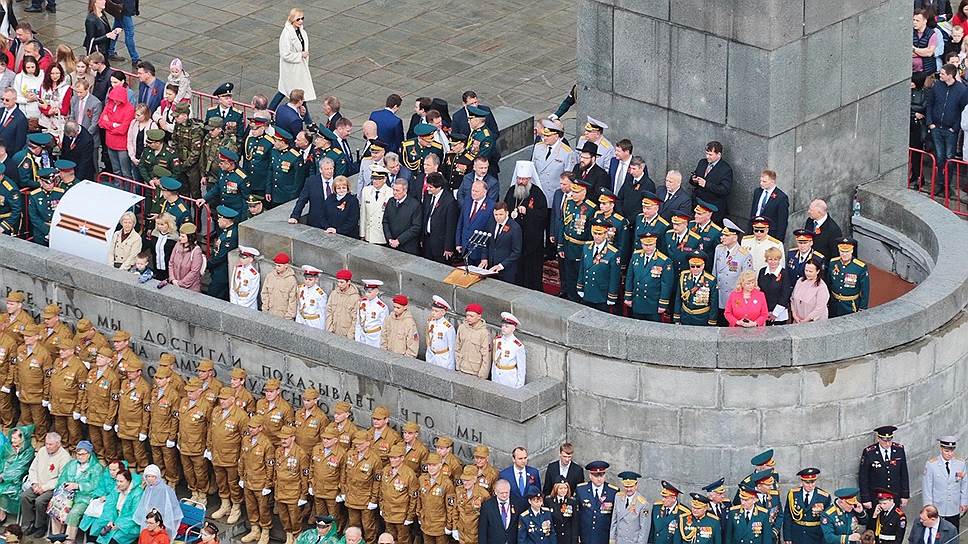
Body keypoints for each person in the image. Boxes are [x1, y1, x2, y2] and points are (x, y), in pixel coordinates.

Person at [52, 441, 104, 544]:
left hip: (84, 498)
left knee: (74, 513)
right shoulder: (71, 464)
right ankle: (56, 538)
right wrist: (65, 485)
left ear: (89, 454)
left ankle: (68, 540)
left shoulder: (96, 468)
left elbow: (95, 485)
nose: (79, 456)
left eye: (83, 454)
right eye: (78, 454)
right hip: (68, 495)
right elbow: (62, 478)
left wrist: (78, 486)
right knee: (56, 507)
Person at [20, 432, 72, 536]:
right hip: (37, 484)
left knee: (40, 501)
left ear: (58, 444)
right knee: (24, 496)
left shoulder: (65, 457)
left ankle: (40, 526)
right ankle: (29, 523)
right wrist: (34, 483)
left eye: (50, 444)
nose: (47, 446)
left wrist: (44, 488)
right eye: (46, 443)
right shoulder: (42, 451)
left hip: (52, 488)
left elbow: (60, 479)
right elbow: (33, 468)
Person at [922, 436, 968, 530]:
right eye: (946, 451)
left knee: (953, 531)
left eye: (952, 451)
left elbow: (964, 484)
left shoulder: (960, 463)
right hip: (938, 506)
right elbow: (927, 487)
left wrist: (964, 501)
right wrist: (928, 506)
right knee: (937, 533)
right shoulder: (931, 465)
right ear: (941, 449)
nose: (949, 454)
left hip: (954, 506)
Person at [859, 426, 910, 510]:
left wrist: (905, 495)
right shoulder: (869, 452)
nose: (887, 443)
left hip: (894, 496)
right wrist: (865, 498)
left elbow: (904, 474)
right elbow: (863, 477)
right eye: (884, 440)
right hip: (876, 497)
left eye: (889, 440)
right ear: (878, 439)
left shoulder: (899, 450)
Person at [577, 217, 621, 311]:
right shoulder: (586, 246)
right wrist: (580, 286)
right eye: (595, 233)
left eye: (600, 234)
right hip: (588, 291)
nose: (597, 236)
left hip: (601, 294)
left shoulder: (612, 252)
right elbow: (582, 268)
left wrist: (612, 296)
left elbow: (614, 277)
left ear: (606, 234)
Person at [416, 453, 456, 544]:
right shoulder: (422, 479)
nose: (431, 467)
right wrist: (419, 515)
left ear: (440, 465)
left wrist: (449, 525)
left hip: (440, 526)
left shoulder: (446, 483)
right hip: (426, 523)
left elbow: (450, 507)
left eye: (434, 465)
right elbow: (419, 499)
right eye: (429, 465)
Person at [133, 465, 182, 540]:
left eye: (153, 476)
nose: (150, 479)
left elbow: (168, 508)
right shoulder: (149, 487)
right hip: (150, 518)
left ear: (158, 477)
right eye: (148, 476)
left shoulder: (164, 489)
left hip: (160, 520)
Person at [574, 461, 617, 544]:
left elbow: (615, 517)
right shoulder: (581, 490)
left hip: (604, 536)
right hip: (586, 535)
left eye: (601, 475)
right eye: (596, 475)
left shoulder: (613, 491)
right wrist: (577, 535)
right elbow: (576, 514)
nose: (599, 478)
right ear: (590, 476)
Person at [689, 141, 732, 223]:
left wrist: (706, 184)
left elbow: (725, 190)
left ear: (718, 155)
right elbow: (693, 178)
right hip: (698, 204)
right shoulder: (702, 162)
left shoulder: (725, 169)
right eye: (706, 153)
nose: (707, 157)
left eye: (710, 155)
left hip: (713, 208)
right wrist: (693, 179)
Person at [100, 85, 136, 179]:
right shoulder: (110, 104)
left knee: (125, 172)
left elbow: (123, 129)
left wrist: (108, 124)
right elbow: (101, 122)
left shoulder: (130, 109)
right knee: (116, 170)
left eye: (117, 99)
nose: (115, 101)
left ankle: (126, 190)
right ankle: (118, 186)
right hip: (110, 143)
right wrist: (114, 125)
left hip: (122, 146)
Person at [421, 171, 458, 262]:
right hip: (427, 240)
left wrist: (448, 247)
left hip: (440, 244)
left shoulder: (449, 202)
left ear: (439, 187)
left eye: (430, 187)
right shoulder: (428, 196)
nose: (428, 189)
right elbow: (425, 216)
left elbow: (451, 227)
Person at [0, 426, 35, 521]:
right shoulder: (7, 448)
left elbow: (20, 468)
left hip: (17, 481)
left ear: (22, 438)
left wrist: (4, 476)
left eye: (15, 438)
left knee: (4, 491)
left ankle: (1, 516)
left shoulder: (29, 451)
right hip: (3, 477)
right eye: (12, 437)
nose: (12, 440)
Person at [674, 251, 718, 326]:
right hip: (685, 316)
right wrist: (677, 317)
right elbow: (678, 297)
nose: (695, 269)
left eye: (698, 266)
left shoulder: (711, 280)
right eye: (692, 266)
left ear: (703, 266)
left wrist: (712, 320)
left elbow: (714, 302)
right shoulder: (683, 276)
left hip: (701, 318)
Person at [827, 238, 869, 317]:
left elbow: (865, 290)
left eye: (847, 251)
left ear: (852, 251)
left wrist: (863, 307)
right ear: (839, 251)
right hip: (834, 303)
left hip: (850, 305)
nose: (844, 254)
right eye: (842, 251)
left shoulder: (860, 267)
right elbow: (829, 282)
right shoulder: (833, 263)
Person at [383, 178, 423, 254]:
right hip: (391, 245)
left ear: (405, 191)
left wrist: (399, 240)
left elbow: (416, 227)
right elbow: (385, 221)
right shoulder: (391, 201)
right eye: (393, 190)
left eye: (397, 190)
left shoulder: (415, 205)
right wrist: (389, 238)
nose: (394, 193)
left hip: (408, 248)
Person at [749, 170, 789, 241]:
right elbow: (753, 212)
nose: (761, 183)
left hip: (770, 234)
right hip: (755, 230)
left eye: (764, 181)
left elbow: (782, 222)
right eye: (760, 181)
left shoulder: (781, 197)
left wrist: (778, 240)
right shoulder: (757, 192)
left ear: (772, 182)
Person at [455, 303, 491, 379]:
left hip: (475, 372)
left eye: (471, 316)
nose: (468, 318)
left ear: (479, 317)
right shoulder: (462, 328)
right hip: (461, 368)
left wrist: (482, 375)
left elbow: (486, 356)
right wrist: (457, 366)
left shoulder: (484, 333)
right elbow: (457, 347)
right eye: (467, 315)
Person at [757, 248, 792, 325]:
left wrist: (775, 313)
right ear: (766, 260)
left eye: (775, 259)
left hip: (779, 314)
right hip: (764, 312)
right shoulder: (762, 271)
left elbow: (785, 295)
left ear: (779, 260)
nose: (773, 262)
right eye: (770, 259)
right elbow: (760, 292)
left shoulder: (784, 273)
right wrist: (764, 311)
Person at [360, 165, 393, 244]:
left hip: (382, 235)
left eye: (378, 179)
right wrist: (362, 233)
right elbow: (363, 213)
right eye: (373, 178)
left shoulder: (390, 192)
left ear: (384, 179)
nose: (375, 181)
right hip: (369, 234)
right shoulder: (366, 190)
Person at [167, 222, 204, 291]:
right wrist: (172, 279)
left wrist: (180, 283)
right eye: (180, 235)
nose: (180, 238)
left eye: (183, 236)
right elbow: (171, 263)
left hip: (190, 288)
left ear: (190, 237)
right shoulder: (177, 245)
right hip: (175, 283)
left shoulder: (196, 251)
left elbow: (194, 272)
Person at [425, 295, 456, 370]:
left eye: (436, 311)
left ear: (443, 312)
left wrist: (451, 365)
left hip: (443, 358)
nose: (433, 313)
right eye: (432, 310)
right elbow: (429, 339)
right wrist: (428, 355)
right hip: (432, 355)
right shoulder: (430, 322)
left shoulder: (448, 327)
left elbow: (452, 348)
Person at [327, 269, 360, 339]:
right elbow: (329, 311)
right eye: (338, 282)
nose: (339, 284)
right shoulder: (334, 293)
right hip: (333, 331)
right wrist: (329, 328)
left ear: (348, 282)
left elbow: (356, 319)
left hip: (346, 334)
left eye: (342, 282)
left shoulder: (355, 298)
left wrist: (350, 335)